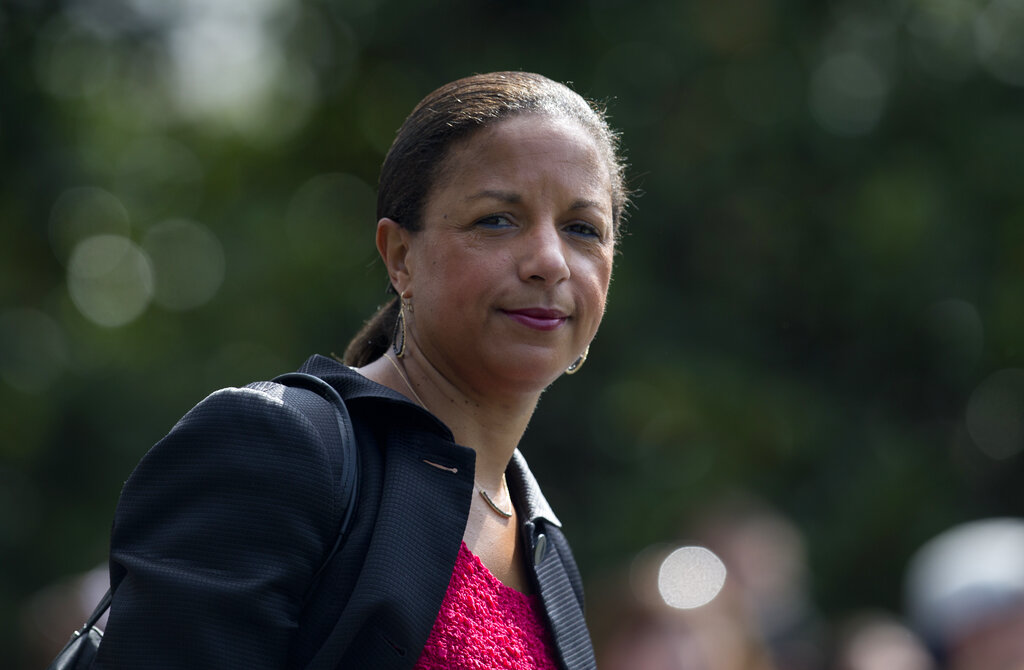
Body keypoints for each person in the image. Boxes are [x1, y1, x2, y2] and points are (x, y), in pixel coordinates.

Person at [93, 71, 630, 669]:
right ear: (401, 257)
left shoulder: (544, 543)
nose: (549, 261)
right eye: (497, 220)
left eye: (583, 229)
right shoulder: (276, 448)